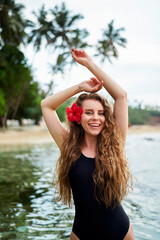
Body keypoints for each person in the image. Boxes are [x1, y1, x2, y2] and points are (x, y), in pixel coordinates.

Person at [41, 48, 135, 240]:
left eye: (101, 113)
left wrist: (89, 63)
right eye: (89, 112)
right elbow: (46, 106)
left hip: (120, 232)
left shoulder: (116, 144)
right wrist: (80, 87)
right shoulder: (69, 145)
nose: (96, 118)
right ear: (78, 116)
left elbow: (121, 96)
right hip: (82, 234)